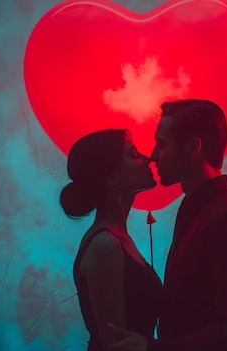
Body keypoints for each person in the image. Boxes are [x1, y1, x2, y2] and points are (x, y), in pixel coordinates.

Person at [107, 99, 227, 351]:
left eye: (162, 144)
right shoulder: (197, 208)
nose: (152, 155)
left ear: (193, 147)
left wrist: (153, 349)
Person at [60, 129, 164, 351]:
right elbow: (117, 344)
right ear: (112, 177)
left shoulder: (118, 239)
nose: (148, 159)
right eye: (134, 154)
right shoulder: (105, 245)